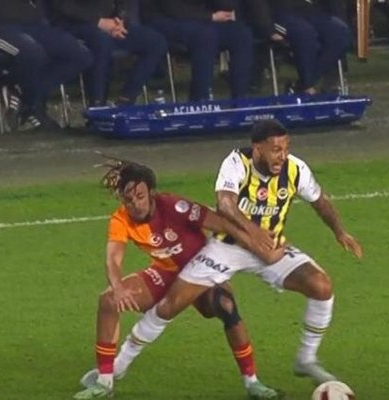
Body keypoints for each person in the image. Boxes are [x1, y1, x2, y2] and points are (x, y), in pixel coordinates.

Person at [107, 119, 363, 385]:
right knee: (171, 305)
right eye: (276, 149)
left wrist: (340, 232)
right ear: (258, 148)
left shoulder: (296, 169)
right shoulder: (236, 163)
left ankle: (306, 359)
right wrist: (254, 233)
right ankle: (118, 366)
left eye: (286, 148)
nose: (283, 155)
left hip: (269, 247)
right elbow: (225, 204)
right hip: (225, 248)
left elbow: (319, 201)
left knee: (321, 286)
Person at [73, 159, 282, 399]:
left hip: (200, 271)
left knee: (226, 305)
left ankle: (252, 382)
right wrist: (118, 287)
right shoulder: (121, 219)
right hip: (166, 273)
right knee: (109, 300)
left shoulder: (175, 206)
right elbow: (113, 258)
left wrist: (255, 242)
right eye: (128, 200)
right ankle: (104, 383)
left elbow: (223, 223)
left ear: (151, 193)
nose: (135, 204)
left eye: (140, 196)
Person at [0, 0, 93, 131]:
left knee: (81, 56)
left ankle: (24, 97)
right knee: (33, 52)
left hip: (33, 21)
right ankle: (33, 105)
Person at [49, 0, 168, 106]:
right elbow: (63, 5)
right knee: (102, 41)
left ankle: (126, 100)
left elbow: (123, 4)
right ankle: (97, 105)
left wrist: (119, 20)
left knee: (156, 42)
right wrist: (98, 21)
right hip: (73, 23)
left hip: (111, 23)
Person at [140, 0, 253, 100]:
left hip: (200, 19)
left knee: (241, 35)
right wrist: (211, 16)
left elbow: (229, 5)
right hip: (163, 18)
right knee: (205, 36)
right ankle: (199, 101)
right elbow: (172, 9)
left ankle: (240, 100)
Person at [245, 0, 351, 94]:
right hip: (278, 10)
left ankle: (302, 85)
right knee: (306, 34)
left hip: (309, 9)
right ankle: (307, 87)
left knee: (341, 34)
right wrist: (267, 28)